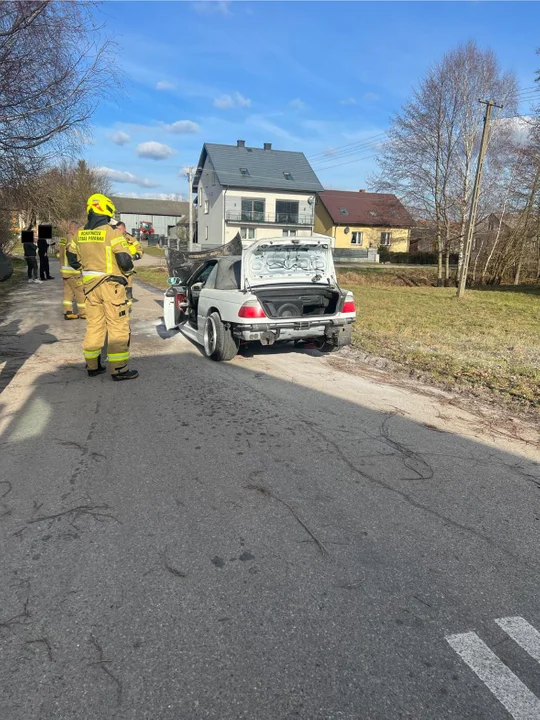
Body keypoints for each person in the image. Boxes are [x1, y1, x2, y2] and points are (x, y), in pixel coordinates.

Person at [68, 194, 138, 381]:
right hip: (111, 285)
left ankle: (93, 366)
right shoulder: (111, 232)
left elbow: (72, 259)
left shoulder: (79, 233)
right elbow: (124, 260)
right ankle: (119, 369)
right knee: (117, 327)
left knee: (94, 326)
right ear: (106, 209)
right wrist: (128, 271)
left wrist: (87, 269)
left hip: (90, 288)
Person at [58, 221, 86, 320]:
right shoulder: (71, 238)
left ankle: (68, 312)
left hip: (65, 271)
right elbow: (72, 253)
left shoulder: (63, 238)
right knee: (80, 292)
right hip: (73, 271)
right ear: (74, 229)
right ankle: (83, 313)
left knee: (68, 293)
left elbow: (58, 252)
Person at [114, 221, 143, 310]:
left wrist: (135, 256)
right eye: (116, 229)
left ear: (124, 229)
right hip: (116, 268)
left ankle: (128, 306)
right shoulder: (113, 237)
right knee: (117, 288)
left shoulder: (130, 238)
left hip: (128, 268)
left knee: (128, 288)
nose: (118, 231)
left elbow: (140, 250)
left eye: (120, 229)